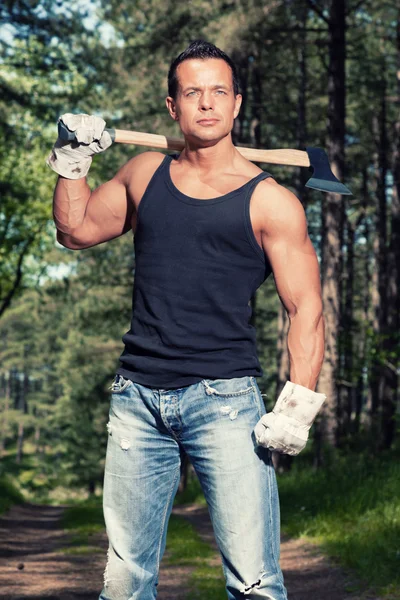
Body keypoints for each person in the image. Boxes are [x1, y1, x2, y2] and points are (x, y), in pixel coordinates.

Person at [47, 39, 326, 600]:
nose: (206, 103)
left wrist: (297, 406)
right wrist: (72, 162)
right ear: (172, 107)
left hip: (225, 401)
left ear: (237, 104)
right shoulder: (144, 173)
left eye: (218, 92)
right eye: (192, 92)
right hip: (136, 401)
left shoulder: (271, 202)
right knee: (125, 583)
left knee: (253, 582)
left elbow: (307, 308)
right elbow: (75, 231)